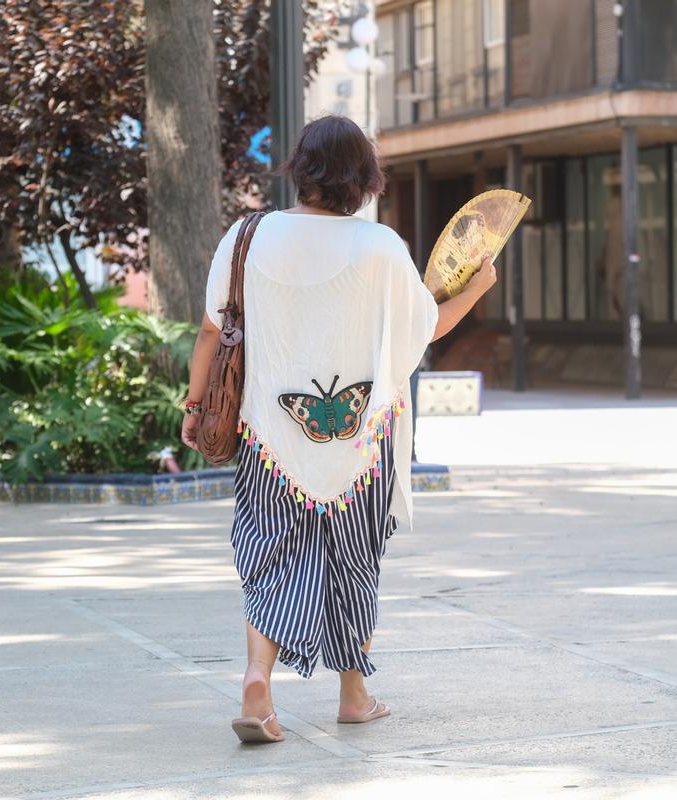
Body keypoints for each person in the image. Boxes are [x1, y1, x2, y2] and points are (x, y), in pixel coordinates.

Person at [180, 115, 496, 744]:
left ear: (299, 168)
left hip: (269, 434)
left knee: (268, 555)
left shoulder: (246, 237)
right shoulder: (380, 248)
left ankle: (256, 678)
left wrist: (194, 407)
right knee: (354, 559)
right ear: (364, 178)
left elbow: (214, 330)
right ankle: (353, 694)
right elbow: (424, 328)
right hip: (361, 441)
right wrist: (478, 288)